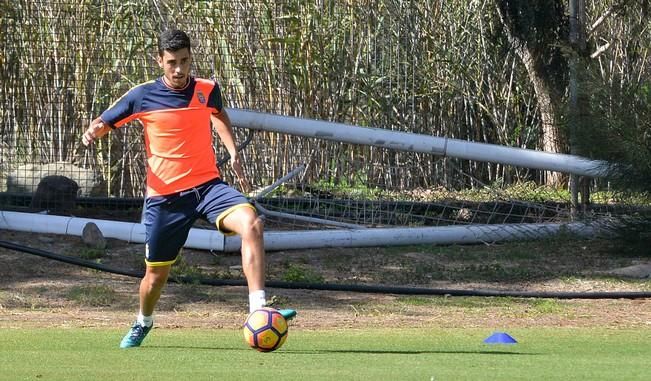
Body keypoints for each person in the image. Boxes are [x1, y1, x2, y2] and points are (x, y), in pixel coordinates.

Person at [81, 29, 295, 348]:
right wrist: (93, 132)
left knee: (251, 224)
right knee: (155, 278)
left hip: (208, 188)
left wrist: (233, 152)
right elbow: (104, 121)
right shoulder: (142, 95)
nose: (179, 69)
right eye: (172, 63)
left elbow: (219, 114)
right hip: (164, 200)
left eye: (184, 61)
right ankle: (143, 321)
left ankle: (258, 310)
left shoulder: (207, 89)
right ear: (160, 61)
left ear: (191, 57)